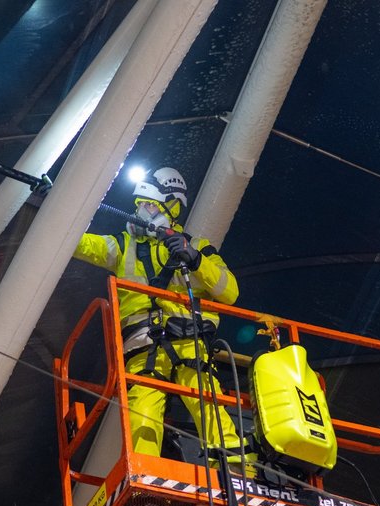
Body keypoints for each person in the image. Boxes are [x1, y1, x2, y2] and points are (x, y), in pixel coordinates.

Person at [74, 166, 253, 474]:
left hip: (189, 342)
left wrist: (194, 261)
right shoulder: (121, 245)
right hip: (144, 346)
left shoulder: (197, 248)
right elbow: (77, 243)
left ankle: (237, 471)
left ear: (172, 207)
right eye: (140, 204)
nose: (141, 211)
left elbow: (230, 291)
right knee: (143, 412)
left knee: (206, 401)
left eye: (151, 205)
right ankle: (149, 478)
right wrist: (58, 207)